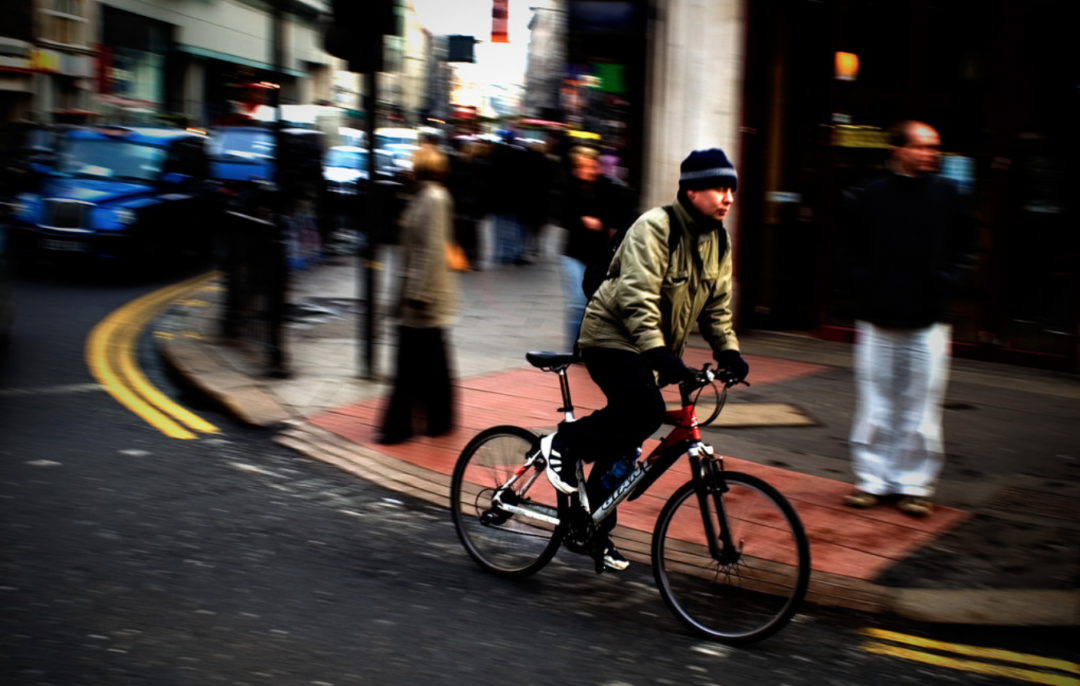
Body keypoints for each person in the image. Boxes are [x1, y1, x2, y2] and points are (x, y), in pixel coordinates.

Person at [538, 148, 751, 570]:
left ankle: (592, 526)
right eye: (718, 187)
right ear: (691, 192)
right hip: (610, 336)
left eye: (731, 189)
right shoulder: (655, 227)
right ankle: (563, 443)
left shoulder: (718, 240)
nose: (727, 197)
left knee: (629, 439)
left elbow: (716, 307)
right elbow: (637, 299)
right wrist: (661, 354)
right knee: (646, 410)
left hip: (650, 350)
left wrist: (728, 351)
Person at [842, 120, 976, 517]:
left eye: (934, 147)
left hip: (928, 320)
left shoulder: (949, 194)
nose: (930, 154)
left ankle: (914, 485)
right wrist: (864, 284)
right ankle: (873, 481)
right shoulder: (871, 195)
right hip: (877, 319)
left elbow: (967, 247)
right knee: (875, 405)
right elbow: (849, 250)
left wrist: (948, 281)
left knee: (921, 407)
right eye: (921, 146)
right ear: (897, 150)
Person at [377, 146, 458, 444]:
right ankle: (439, 420)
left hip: (422, 300)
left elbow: (431, 251)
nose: (407, 167)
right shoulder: (423, 196)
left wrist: (418, 294)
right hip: (421, 297)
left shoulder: (432, 199)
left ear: (422, 166)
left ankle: (399, 428)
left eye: (412, 162)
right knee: (433, 366)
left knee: (408, 367)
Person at [558, 145, 628, 351]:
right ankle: (574, 347)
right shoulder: (569, 186)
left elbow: (619, 215)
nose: (587, 170)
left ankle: (591, 343)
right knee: (577, 301)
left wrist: (602, 222)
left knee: (595, 301)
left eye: (591, 165)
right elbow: (562, 215)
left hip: (599, 254)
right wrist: (582, 219)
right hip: (573, 253)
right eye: (582, 166)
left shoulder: (608, 187)